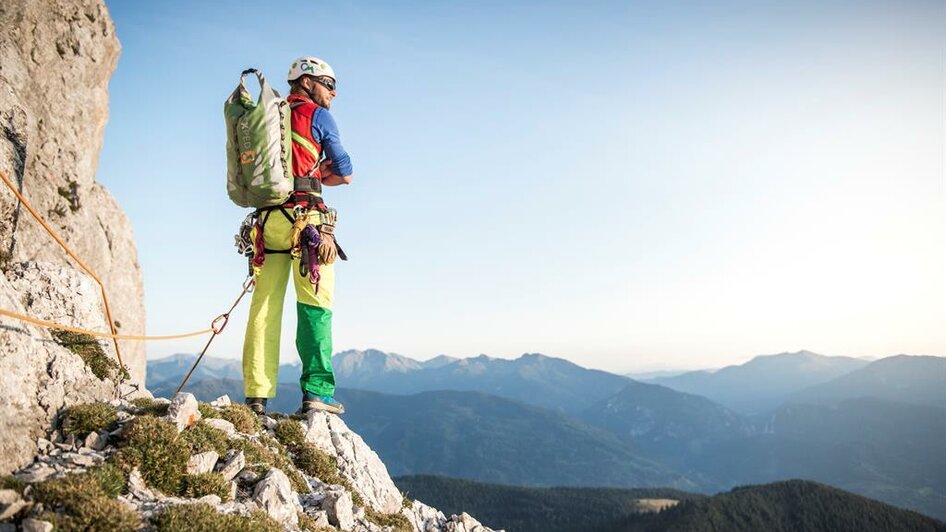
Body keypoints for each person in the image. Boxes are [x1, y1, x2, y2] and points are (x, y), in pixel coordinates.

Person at [241, 56, 353, 416]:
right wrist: (320, 175)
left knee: (264, 308)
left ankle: (256, 396)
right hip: (308, 226)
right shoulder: (317, 115)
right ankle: (317, 391)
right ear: (307, 82)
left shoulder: (267, 116)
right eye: (329, 84)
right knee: (315, 307)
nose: (334, 93)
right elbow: (346, 172)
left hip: (267, 223)